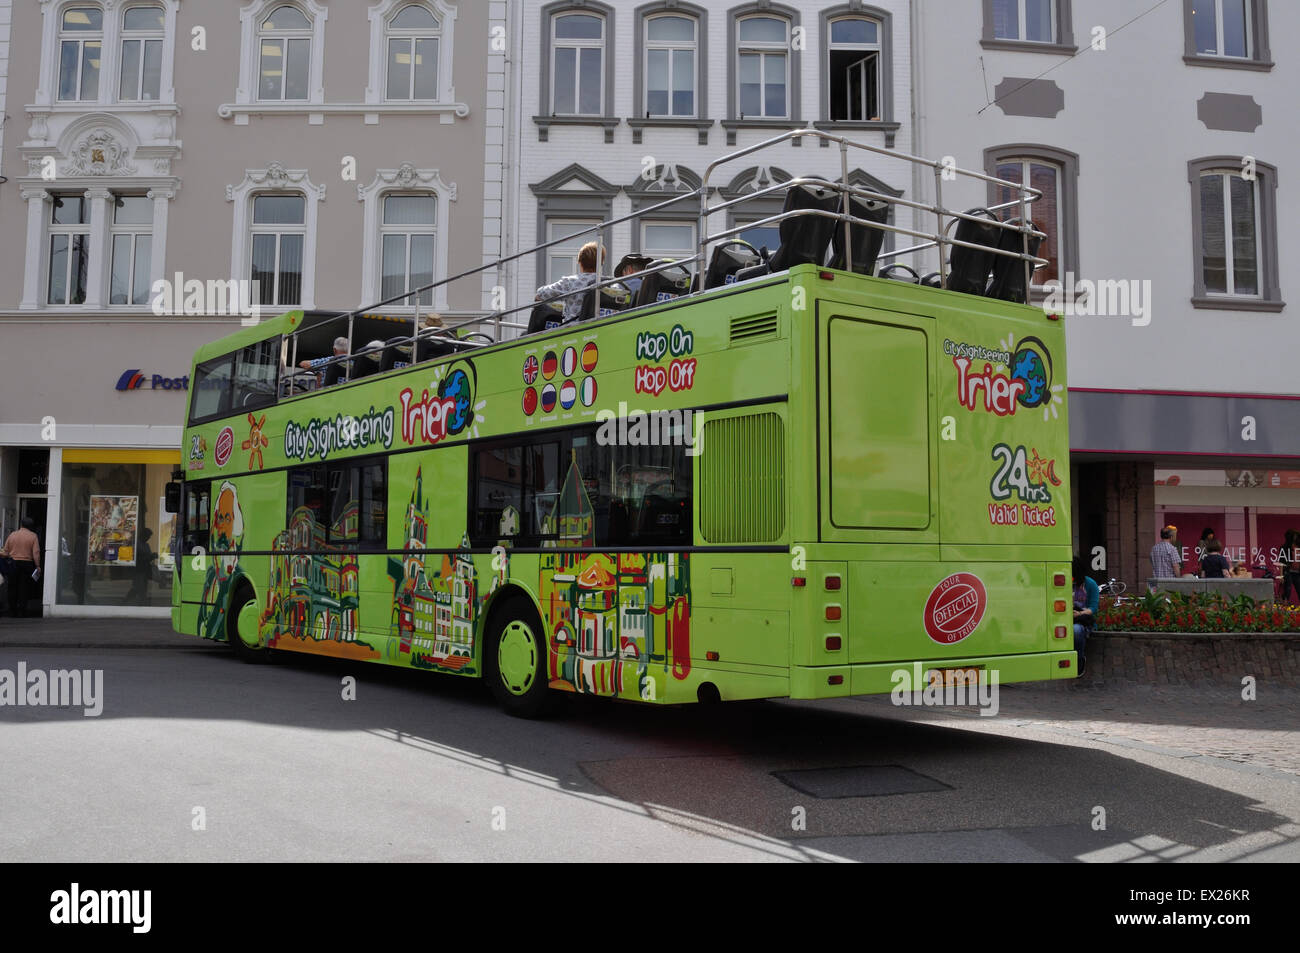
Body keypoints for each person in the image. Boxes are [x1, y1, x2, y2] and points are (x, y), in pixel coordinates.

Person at [535, 242, 605, 323]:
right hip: (600, 327)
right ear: (601, 263)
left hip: (574, 330)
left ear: (580, 262)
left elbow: (541, 294)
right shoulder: (606, 283)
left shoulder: (570, 282)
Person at [1, 517, 41, 619]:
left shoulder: (12, 535)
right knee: (24, 588)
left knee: (12, 587)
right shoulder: (33, 536)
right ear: (31, 526)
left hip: (13, 563)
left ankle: (12, 611)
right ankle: (22, 611)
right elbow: (36, 553)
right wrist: (37, 566)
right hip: (27, 564)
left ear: (21, 525)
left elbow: (5, 551)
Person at [1072, 557, 1100, 676]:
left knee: (1076, 630)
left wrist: (1080, 613)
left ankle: (1079, 659)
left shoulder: (1090, 584)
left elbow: (1093, 607)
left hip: (1082, 620)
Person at [124, 528, 155, 602]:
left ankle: (140, 600)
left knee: (142, 586)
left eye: (149, 536)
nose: (149, 538)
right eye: (148, 536)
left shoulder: (146, 545)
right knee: (138, 587)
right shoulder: (136, 544)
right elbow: (137, 557)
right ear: (143, 535)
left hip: (145, 569)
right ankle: (129, 600)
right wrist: (150, 557)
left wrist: (152, 556)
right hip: (138, 569)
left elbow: (148, 556)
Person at [1281, 529, 1300, 604]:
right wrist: (1281, 575)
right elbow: (1281, 562)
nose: (1295, 538)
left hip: (1297, 572)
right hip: (1288, 572)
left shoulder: (1298, 546)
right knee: (1287, 590)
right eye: (1294, 536)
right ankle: (1284, 606)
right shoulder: (1285, 548)